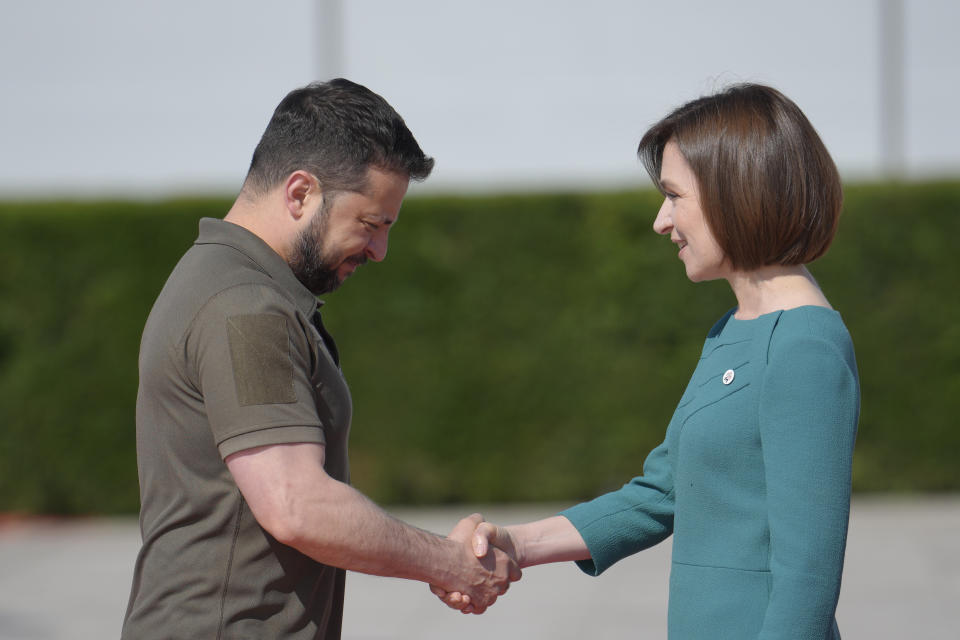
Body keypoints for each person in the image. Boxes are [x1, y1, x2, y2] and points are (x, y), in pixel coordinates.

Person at [434, 84, 860, 639]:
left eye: (675, 195)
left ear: (739, 190)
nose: (661, 221)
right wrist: (514, 544)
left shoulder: (806, 348)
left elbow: (807, 578)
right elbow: (662, 493)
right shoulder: (733, 331)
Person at [122, 78, 519, 640]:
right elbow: (296, 504)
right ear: (301, 192)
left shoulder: (224, 281)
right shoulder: (246, 307)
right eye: (372, 224)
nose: (380, 251)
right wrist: (449, 563)